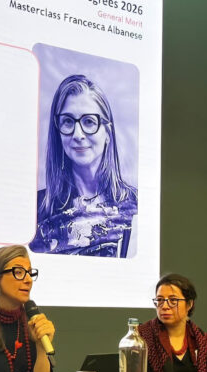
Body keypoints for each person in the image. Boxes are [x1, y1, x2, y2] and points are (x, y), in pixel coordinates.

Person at [29, 74, 137, 258]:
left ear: (107, 133)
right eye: (68, 121)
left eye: (89, 122)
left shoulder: (136, 205)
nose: (78, 134)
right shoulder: (36, 210)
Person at [137, 274, 207, 372]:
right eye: (160, 300)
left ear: (189, 304)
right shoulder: (141, 338)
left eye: (173, 300)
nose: (165, 306)